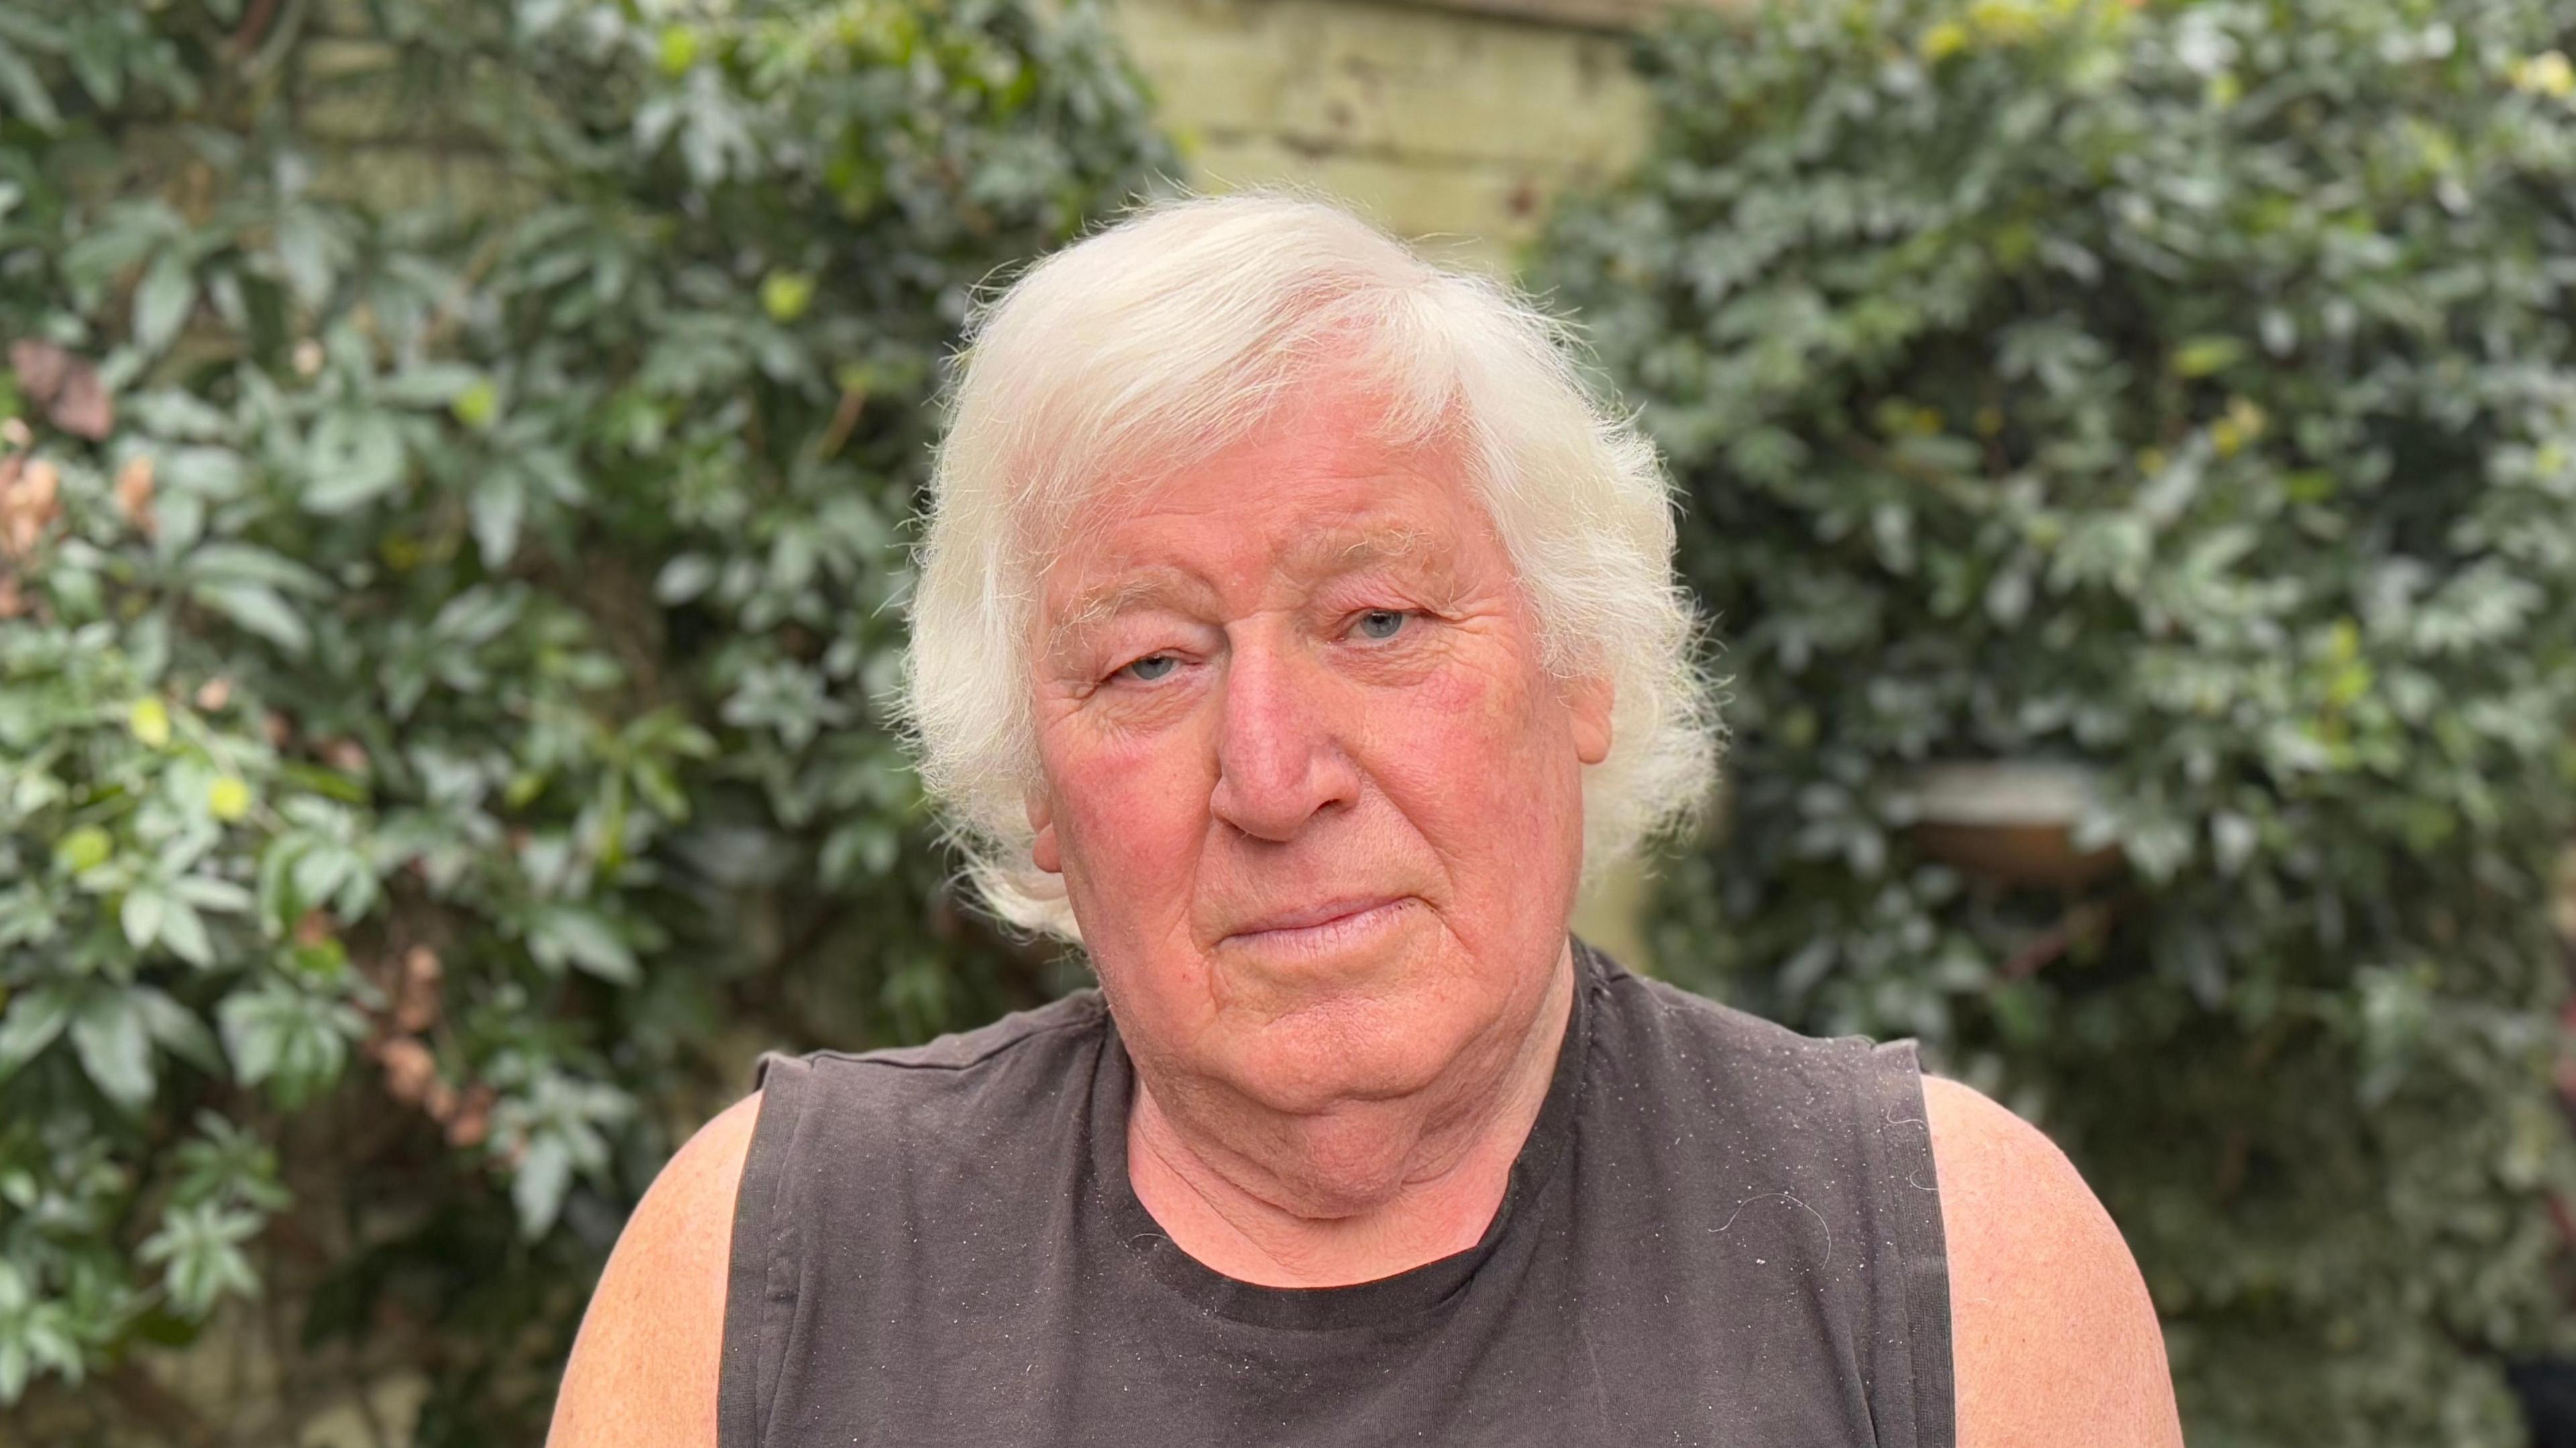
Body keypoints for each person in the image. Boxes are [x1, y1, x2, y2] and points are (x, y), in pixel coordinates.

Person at [546, 193, 2182, 1448]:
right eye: (1149, 661)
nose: (1273, 776)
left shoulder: (1949, 1265)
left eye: (1381, 623)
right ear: (1037, 789)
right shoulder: (768, 1259)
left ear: (1583, 662)